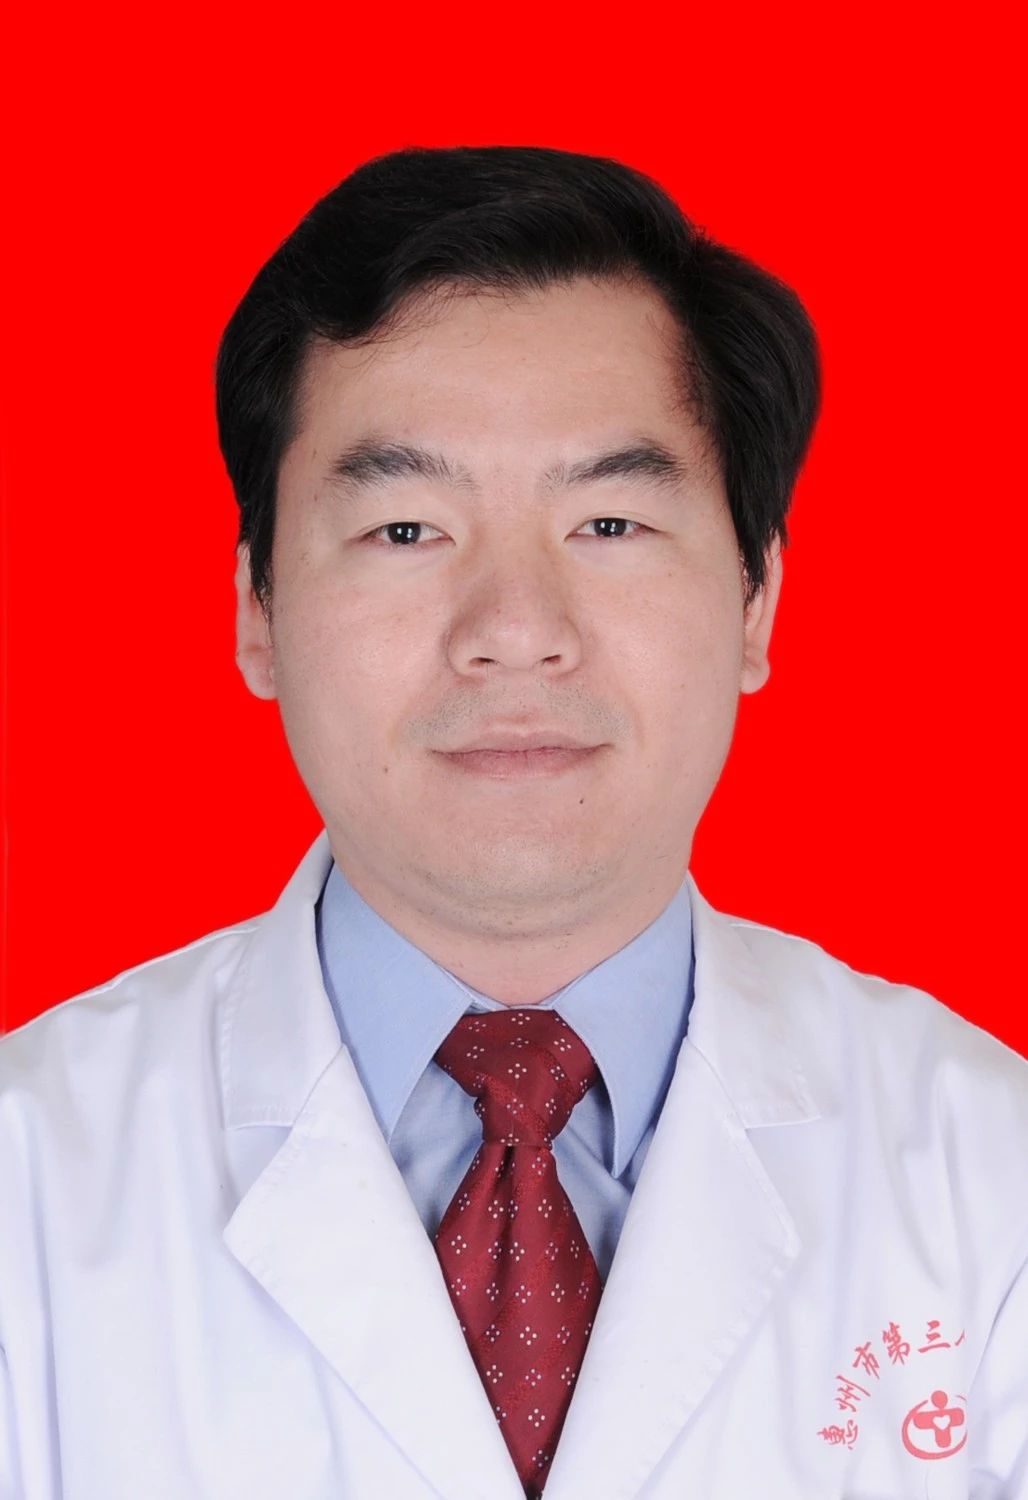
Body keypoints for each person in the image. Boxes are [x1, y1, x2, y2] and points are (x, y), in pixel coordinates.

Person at [1, 145, 1025, 1500]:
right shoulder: (27, 1179)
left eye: (609, 522)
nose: (516, 631)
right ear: (256, 608)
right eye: (406, 531)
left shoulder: (990, 1179)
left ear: (757, 602)